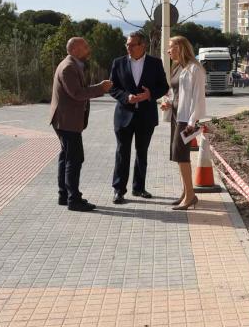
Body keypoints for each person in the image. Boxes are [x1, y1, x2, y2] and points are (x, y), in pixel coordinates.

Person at [49, 37, 113, 212]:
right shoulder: (68, 67)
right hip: (66, 121)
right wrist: (101, 88)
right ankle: (74, 199)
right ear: (75, 50)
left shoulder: (72, 65)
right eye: (85, 47)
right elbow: (77, 93)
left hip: (65, 120)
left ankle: (64, 195)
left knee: (66, 157)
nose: (88, 49)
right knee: (74, 159)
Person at [108, 32, 169, 204]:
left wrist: (150, 95)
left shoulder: (155, 63)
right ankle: (118, 190)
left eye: (132, 44)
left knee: (142, 153)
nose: (128, 47)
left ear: (143, 46)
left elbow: (163, 87)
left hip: (146, 116)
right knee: (122, 153)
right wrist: (126, 97)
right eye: (127, 44)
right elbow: (112, 88)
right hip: (123, 116)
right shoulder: (118, 62)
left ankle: (139, 188)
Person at [161, 36, 206, 210]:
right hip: (176, 117)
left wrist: (192, 121)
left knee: (181, 156)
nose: (168, 51)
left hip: (186, 119)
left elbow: (198, 97)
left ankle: (190, 196)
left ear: (180, 48)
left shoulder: (195, 69)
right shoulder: (178, 67)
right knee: (178, 156)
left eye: (171, 47)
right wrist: (167, 102)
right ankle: (186, 192)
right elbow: (174, 92)